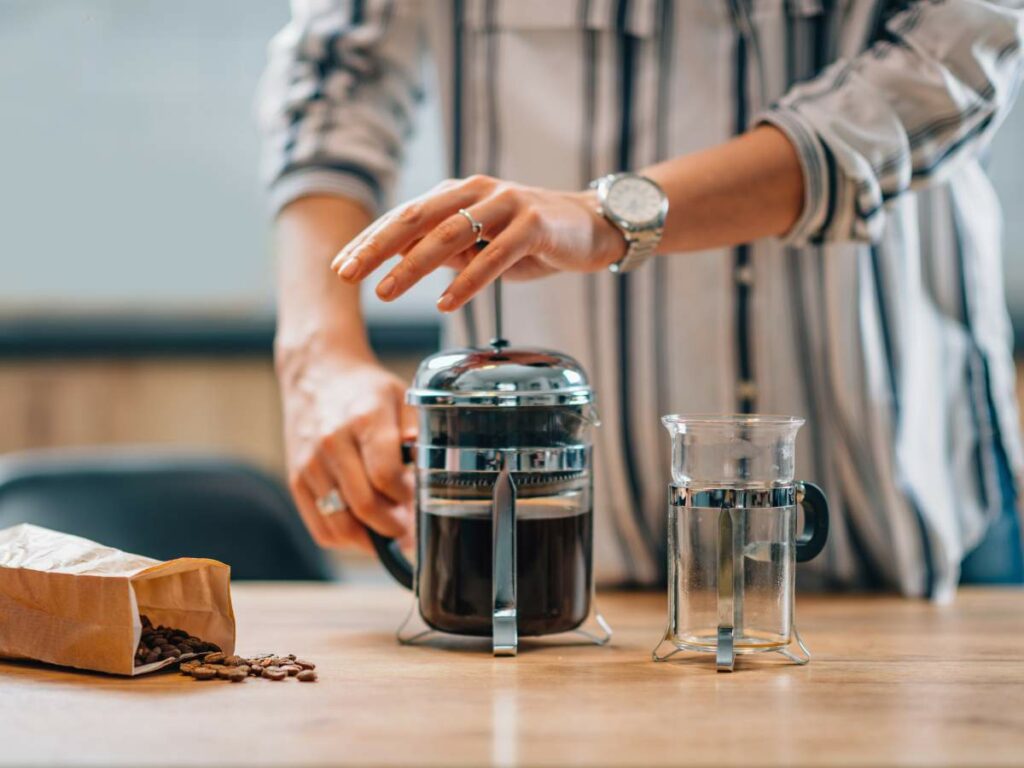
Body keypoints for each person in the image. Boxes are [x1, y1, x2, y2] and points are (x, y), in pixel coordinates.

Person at [258, 0, 1024, 599]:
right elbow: (335, 80)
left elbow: (947, 63)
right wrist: (317, 357)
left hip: (907, 523)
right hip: (550, 566)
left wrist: (612, 216)